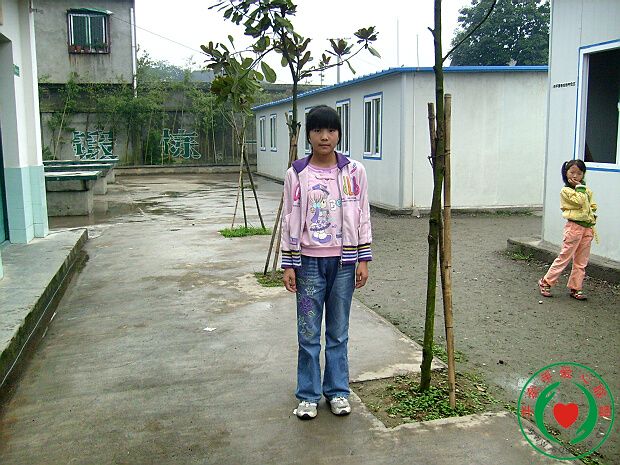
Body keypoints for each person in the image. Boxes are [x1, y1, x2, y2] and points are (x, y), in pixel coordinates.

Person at [280, 105, 372, 420]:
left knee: (338, 331)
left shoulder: (354, 172)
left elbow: (363, 214)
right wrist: (289, 264)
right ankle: (308, 395)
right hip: (308, 264)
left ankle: (337, 391)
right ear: (308, 135)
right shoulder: (297, 173)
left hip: (344, 264)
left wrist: (363, 258)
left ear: (339, 134)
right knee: (308, 333)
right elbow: (289, 219)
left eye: (331, 130)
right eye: (318, 130)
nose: (324, 137)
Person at [538, 159, 597, 300]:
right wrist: (579, 188)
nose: (575, 176)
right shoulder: (566, 191)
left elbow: (592, 205)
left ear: (583, 174)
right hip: (574, 227)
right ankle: (546, 282)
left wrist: (593, 215)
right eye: (572, 172)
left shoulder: (586, 190)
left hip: (587, 228)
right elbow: (579, 201)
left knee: (581, 261)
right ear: (566, 173)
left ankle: (576, 287)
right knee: (565, 257)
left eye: (579, 173)